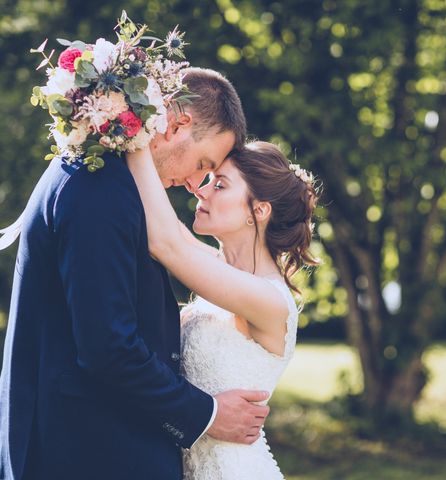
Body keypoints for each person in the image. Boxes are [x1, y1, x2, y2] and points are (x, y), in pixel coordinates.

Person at [0, 68, 269, 480]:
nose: (196, 183)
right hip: (82, 453)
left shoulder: (105, 177)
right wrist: (207, 414)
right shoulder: (98, 188)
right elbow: (108, 347)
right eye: (203, 164)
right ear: (178, 124)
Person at [126, 140, 319, 479]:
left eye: (220, 185)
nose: (202, 192)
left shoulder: (268, 299)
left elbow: (165, 243)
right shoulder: (224, 273)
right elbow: (174, 234)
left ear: (258, 211)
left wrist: (131, 132)